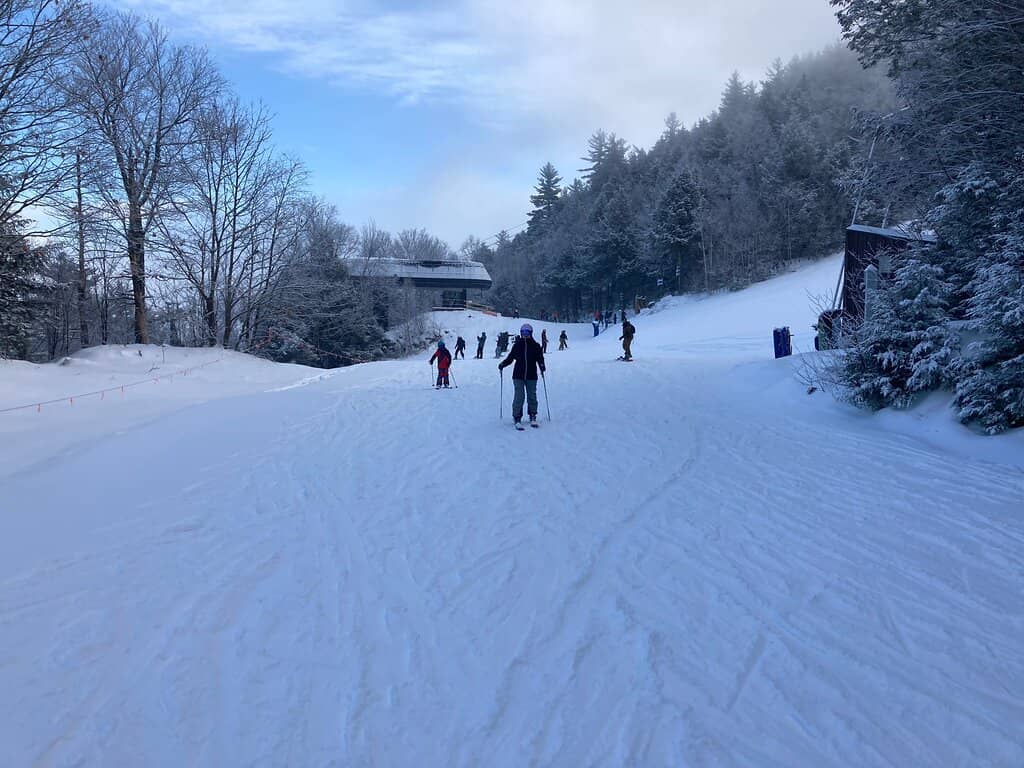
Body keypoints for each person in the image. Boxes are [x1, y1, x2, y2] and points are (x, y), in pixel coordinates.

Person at [498, 323, 545, 427]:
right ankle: (517, 416)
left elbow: (540, 358)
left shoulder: (535, 346)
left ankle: (532, 415)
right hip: (518, 375)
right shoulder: (517, 345)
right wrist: (503, 364)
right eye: (523, 332)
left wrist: (542, 366)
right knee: (519, 396)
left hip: (531, 375)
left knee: (532, 395)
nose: (525, 334)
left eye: (527, 332)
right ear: (521, 333)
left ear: (531, 333)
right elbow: (510, 358)